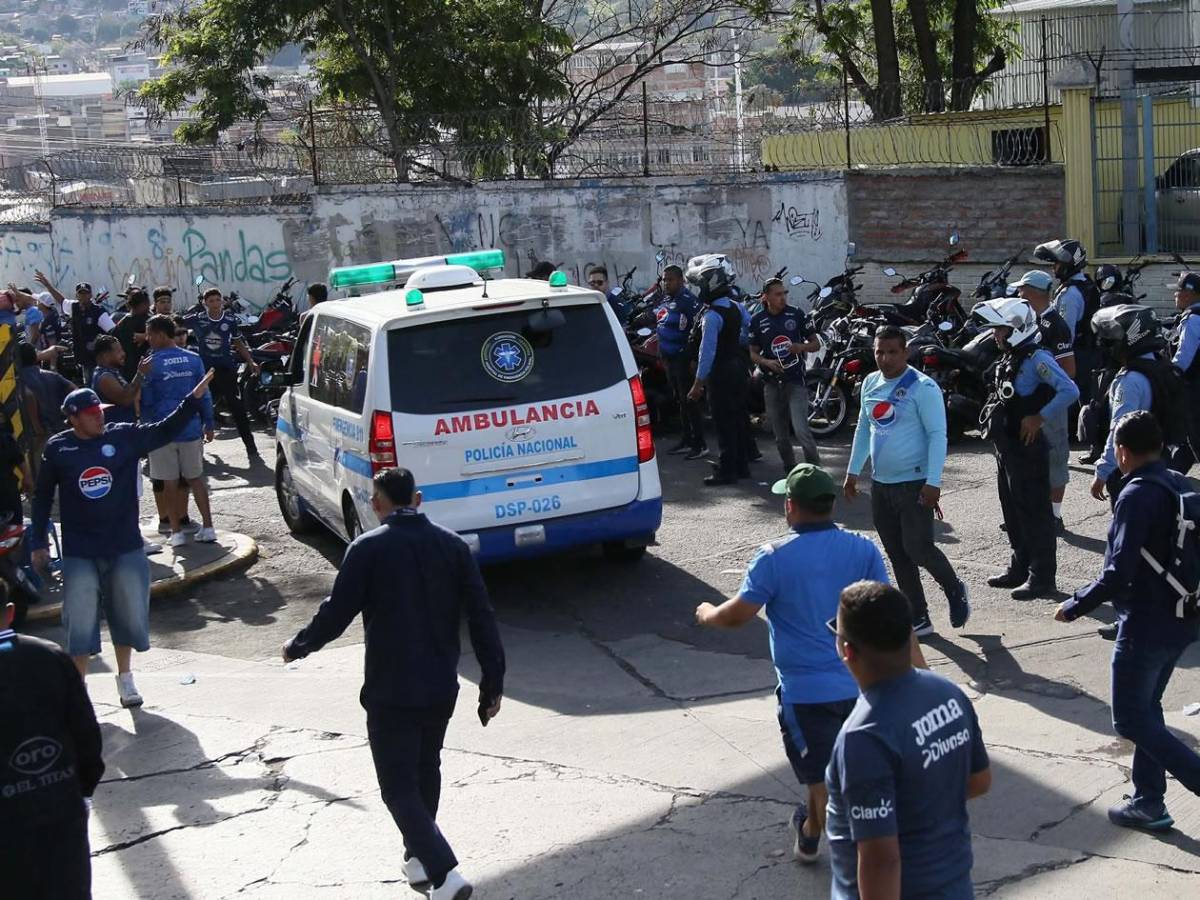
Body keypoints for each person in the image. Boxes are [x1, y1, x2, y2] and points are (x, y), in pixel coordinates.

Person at [283, 468, 506, 900]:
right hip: (441, 684)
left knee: (397, 786)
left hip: (391, 689)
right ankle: (419, 858)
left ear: (377, 503)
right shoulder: (453, 546)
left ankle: (445, 874)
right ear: (418, 499)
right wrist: (491, 683)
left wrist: (299, 646)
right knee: (426, 770)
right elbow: (482, 617)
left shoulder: (367, 549)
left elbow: (337, 611)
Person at [695, 464, 919, 866]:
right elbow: (894, 615)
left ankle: (825, 838)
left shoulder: (774, 558)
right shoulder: (863, 549)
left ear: (790, 506)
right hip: (863, 688)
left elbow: (735, 616)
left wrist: (707, 612)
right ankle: (820, 832)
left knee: (821, 780)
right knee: (844, 772)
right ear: (831, 506)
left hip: (805, 696)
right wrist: (917, 679)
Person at [1054, 412, 1200, 831]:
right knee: (1147, 709)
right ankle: (1148, 800)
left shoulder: (1136, 494)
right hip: (1181, 619)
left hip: (1145, 623)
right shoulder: (1179, 483)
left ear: (1122, 451)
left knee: (1131, 719)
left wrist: (1076, 605)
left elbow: (1117, 571)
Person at [30, 374, 215, 704]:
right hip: (80, 550)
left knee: (127, 612)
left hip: (124, 544)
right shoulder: (58, 448)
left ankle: (126, 677)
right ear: (73, 417)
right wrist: (38, 543)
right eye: (90, 413)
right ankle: (79, 688)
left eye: (99, 410)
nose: (99, 416)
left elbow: (164, 430)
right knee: (81, 617)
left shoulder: (125, 436)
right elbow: (42, 498)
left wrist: (193, 399)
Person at [826, 580, 991, 900]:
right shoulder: (948, 694)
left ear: (846, 650)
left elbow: (881, 861)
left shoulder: (864, 736)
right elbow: (980, 780)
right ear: (909, 636)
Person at [844, 326, 969, 635]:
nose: (885, 359)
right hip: (881, 484)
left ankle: (954, 588)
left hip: (914, 483)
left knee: (918, 548)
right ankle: (919, 616)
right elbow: (863, 429)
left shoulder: (922, 387)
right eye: (879, 352)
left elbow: (937, 436)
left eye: (892, 352)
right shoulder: (870, 383)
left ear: (905, 352)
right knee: (898, 554)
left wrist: (933, 481)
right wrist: (852, 471)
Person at [0, 590, 105, 900]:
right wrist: (80, 791)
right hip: (61, 806)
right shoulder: (49, 655)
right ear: (9, 612)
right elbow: (85, 731)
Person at [976, 298, 1079, 600]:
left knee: (1036, 513)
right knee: (1013, 511)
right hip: (1006, 447)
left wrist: (1039, 417)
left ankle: (1042, 577)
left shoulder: (1037, 358)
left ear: (1018, 329)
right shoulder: (1011, 357)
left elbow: (1070, 390)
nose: (996, 336)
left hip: (1028, 449)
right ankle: (1020, 567)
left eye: (1001, 330)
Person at [141, 314, 217, 547]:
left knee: (169, 482)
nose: (148, 339)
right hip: (190, 429)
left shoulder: (149, 363)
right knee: (196, 479)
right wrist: (209, 422)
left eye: (150, 334)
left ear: (161, 335)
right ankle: (208, 527)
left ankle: (176, 533)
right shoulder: (193, 360)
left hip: (162, 431)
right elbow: (204, 394)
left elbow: (145, 400)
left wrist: (145, 430)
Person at [1089, 304, 1169, 506]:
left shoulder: (1130, 380)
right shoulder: (1162, 366)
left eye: (1112, 338)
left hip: (1132, 467)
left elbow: (1119, 429)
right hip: (1161, 461)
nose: (1106, 343)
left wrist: (1102, 472)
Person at [1014, 269, 1076, 533]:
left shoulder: (1055, 325)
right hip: (1029, 404)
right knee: (1028, 459)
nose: (1018, 294)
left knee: (1055, 458)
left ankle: (1054, 516)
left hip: (1050, 404)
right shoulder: (1027, 322)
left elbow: (1068, 371)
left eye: (1022, 290)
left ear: (1034, 293)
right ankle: (1030, 514)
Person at [687, 255, 749, 486]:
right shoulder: (736, 307)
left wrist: (697, 384)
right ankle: (741, 466)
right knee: (738, 418)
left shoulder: (712, 316)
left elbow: (707, 353)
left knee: (723, 422)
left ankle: (726, 470)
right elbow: (746, 332)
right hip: (739, 367)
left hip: (721, 373)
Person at [749, 277, 821, 473]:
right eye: (778, 294)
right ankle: (791, 469)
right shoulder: (757, 320)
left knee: (801, 430)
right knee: (780, 435)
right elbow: (752, 352)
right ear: (766, 297)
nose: (783, 297)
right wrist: (766, 362)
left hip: (796, 381)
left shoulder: (796, 314)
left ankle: (815, 470)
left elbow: (816, 344)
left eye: (784, 293)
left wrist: (801, 347)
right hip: (772, 383)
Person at [185, 288, 260, 459]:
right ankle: (194, 449)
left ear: (222, 301)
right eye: (211, 301)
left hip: (226, 370)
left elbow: (238, 342)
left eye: (217, 300)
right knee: (196, 406)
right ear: (205, 303)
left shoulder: (230, 320)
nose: (215, 304)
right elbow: (174, 325)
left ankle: (251, 447)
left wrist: (250, 361)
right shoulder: (198, 319)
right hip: (204, 372)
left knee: (237, 407)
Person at [654, 265, 705, 459]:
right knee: (680, 401)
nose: (666, 283)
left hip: (682, 358)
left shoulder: (688, 301)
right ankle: (687, 439)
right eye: (664, 280)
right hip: (669, 357)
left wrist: (692, 357)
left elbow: (699, 328)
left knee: (690, 401)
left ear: (680, 281)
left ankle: (699, 443)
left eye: (670, 280)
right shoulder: (667, 299)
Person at [19, 341, 75, 476]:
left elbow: (28, 395)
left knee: (40, 478)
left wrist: (36, 426)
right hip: (60, 430)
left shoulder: (19, 380)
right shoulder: (51, 375)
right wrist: (71, 417)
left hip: (38, 436)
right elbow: (74, 390)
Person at [1170, 271, 1200, 467]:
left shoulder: (1192, 319)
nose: (1175, 295)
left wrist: (1166, 376)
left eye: (1178, 291)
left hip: (1193, 388)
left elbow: (1183, 358)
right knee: (1186, 441)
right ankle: (1168, 480)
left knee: (1195, 437)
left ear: (1189, 294)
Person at [63, 282, 116, 384]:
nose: (84, 296)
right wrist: (47, 285)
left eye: (86, 293)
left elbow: (113, 331)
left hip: (96, 357)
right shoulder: (74, 308)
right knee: (88, 382)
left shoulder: (98, 311)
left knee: (96, 384)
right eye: (81, 293)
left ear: (91, 295)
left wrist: (99, 341)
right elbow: (61, 301)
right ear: (76, 296)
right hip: (83, 357)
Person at [92, 334, 149, 425]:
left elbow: (130, 392)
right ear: (105, 355)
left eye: (122, 350)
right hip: (115, 432)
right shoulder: (104, 377)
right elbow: (125, 399)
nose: (123, 354)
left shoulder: (113, 371)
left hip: (125, 429)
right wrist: (140, 374)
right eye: (118, 351)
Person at [113, 287, 152, 380]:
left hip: (126, 371)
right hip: (145, 368)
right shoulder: (149, 321)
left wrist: (145, 337)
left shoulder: (122, 323)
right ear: (143, 304)